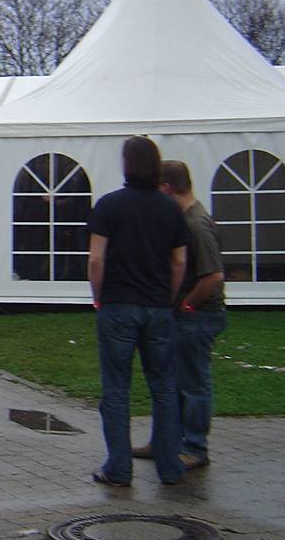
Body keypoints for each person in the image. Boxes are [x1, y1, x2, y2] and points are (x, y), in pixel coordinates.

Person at [87, 136, 188, 487]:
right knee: (164, 388)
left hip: (118, 305)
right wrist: (168, 297)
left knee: (116, 389)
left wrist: (98, 296)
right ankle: (170, 467)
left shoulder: (109, 205)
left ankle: (119, 467)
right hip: (157, 306)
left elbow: (96, 259)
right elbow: (179, 261)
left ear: (126, 164)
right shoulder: (170, 208)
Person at [133, 160, 227, 471]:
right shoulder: (181, 219)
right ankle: (165, 441)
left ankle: (194, 447)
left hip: (198, 317)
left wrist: (187, 305)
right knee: (170, 382)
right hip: (181, 316)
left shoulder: (196, 224)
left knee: (192, 383)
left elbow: (213, 276)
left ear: (166, 188)